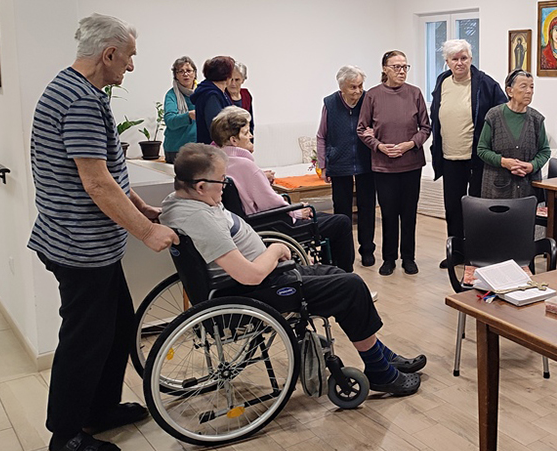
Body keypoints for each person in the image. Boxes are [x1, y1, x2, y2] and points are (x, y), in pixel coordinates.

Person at [28, 14, 178, 451]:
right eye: (129, 57)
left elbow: (106, 173)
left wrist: (138, 205)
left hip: (88, 242)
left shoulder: (77, 89)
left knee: (117, 329)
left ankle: (99, 410)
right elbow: (95, 182)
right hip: (80, 247)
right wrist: (147, 231)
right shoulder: (80, 101)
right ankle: (65, 436)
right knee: (85, 340)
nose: (131, 66)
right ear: (109, 53)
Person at [160, 144, 425, 396]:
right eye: (222, 180)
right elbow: (250, 275)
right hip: (255, 290)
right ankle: (380, 371)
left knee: (337, 275)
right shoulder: (201, 219)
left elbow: (160, 214)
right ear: (201, 186)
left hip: (264, 278)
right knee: (350, 287)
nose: (225, 185)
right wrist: (275, 250)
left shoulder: (179, 201)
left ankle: (381, 356)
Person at [211, 106, 355, 273]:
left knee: (326, 218)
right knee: (341, 222)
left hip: (250, 222)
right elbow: (269, 202)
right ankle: (345, 275)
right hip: (272, 224)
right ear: (234, 140)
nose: (251, 135)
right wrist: (296, 212)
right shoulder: (245, 165)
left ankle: (330, 272)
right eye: (245, 132)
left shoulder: (219, 162)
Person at [430, 39, 506, 265]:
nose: (460, 63)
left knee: (476, 208)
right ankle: (457, 253)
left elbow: (501, 114)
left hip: (477, 159)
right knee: (453, 208)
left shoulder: (485, 83)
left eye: (464, 58)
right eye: (454, 59)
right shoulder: (442, 81)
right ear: (447, 62)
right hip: (449, 157)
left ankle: (477, 254)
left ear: (471, 59)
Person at [357, 50, 431, 276]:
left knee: (409, 214)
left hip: (411, 164)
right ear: (385, 69)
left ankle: (409, 258)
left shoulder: (415, 93)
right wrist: (379, 146)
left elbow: (426, 128)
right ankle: (389, 258)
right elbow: (362, 129)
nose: (401, 71)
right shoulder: (372, 95)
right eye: (396, 67)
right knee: (388, 214)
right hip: (384, 166)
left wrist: (410, 144)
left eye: (405, 67)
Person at [317, 65, 377, 267]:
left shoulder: (368, 100)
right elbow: (321, 135)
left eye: (360, 86)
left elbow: (378, 126)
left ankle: (367, 250)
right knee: (342, 212)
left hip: (366, 162)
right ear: (341, 87)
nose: (358, 91)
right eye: (353, 87)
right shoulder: (330, 103)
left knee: (367, 208)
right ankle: (344, 255)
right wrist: (323, 165)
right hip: (339, 163)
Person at [477, 69, 550, 199]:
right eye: (523, 86)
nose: (529, 91)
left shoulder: (537, 119)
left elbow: (544, 151)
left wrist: (532, 166)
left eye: (531, 87)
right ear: (510, 91)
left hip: (528, 189)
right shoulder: (493, 116)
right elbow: (482, 149)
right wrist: (503, 162)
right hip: (497, 189)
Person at [163, 56, 198, 164]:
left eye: (188, 70)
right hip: (177, 149)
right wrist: (188, 115)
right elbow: (170, 121)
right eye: (181, 71)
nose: (185, 74)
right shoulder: (171, 95)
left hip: (199, 148)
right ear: (176, 75)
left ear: (194, 73)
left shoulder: (202, 92)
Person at [192, 55, 234, 143]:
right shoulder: (211, 95)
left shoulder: (220, 92)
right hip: (212, 147)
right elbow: (216, 128)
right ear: (227, 75)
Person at [227, 60, 254, 130]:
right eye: (230, 79)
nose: (233, 83)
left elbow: (250, 122)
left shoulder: (246, 94)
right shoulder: (222, 95)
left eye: (237, 80)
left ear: (243, 80)